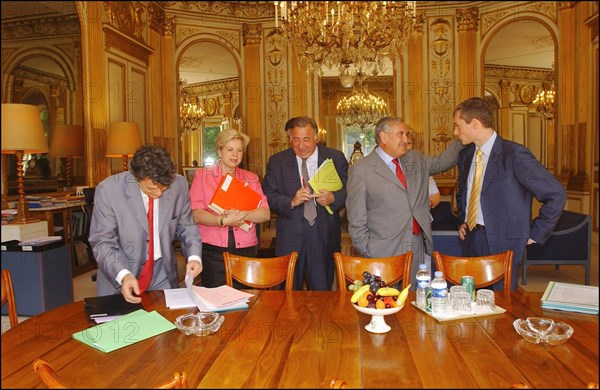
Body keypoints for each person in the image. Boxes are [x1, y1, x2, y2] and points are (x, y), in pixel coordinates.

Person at [453, 97, 567, 290]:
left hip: (503, 242)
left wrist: (534, 234)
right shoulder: (465, 156)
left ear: (474, 124)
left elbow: (556, 194)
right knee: (469, 301)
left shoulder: (515, 154)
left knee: (501, 307)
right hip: (470, 240)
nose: (455, 132)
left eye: (457, 126)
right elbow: (464, 192)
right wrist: (463, 220)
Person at [346, 116, 464, 287]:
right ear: (384, 137)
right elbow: (356, 218)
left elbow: (443, 162)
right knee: (384, 304)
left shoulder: (415, 159)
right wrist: (367, 250)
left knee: (414, 302)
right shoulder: (361, 170)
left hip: (415, 248)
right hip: (382, 252)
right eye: (400, 134)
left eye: (406, 134)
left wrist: (463, 136)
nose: (406, 140)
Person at [89, 144, 202, 303]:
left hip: (162, 272)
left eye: (164, 188)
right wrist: (123, 275)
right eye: (151, 188)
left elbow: (187, 226)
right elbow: (102, 242)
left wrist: (194, 256)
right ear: (136, 177)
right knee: (120, 327)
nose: (158, 193)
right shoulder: (108, 191)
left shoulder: (179, 185)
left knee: (166, 324)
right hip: (121, 271)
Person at [262, 116, 349, 290]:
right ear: (289, 139)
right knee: (288, 297)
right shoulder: (277, 162)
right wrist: (290, 201)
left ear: (316, 137)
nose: (301, 145)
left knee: (322, 297)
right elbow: (268, 195)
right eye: (296, 140)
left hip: (323, 237)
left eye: (306, 139)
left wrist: (333, 198)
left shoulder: (335, 157)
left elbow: (350, 189)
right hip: (290, 239)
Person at [189, 129, 270, 287]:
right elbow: (196, 214)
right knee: (216, 299)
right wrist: (223, 220)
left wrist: (242, 215)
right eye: (230, 149)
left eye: (239, 150)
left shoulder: (251, 178)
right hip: (213, 251)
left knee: (247, 299)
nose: (235, 155)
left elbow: (265, 214)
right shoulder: (202, 176)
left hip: (246, 249)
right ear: (219, 151)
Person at [406, 128, 441, 209]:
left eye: (409, 143)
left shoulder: (421, 167)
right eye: (403, 143)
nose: (406, 147)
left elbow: (436, 195)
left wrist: (428, 204)